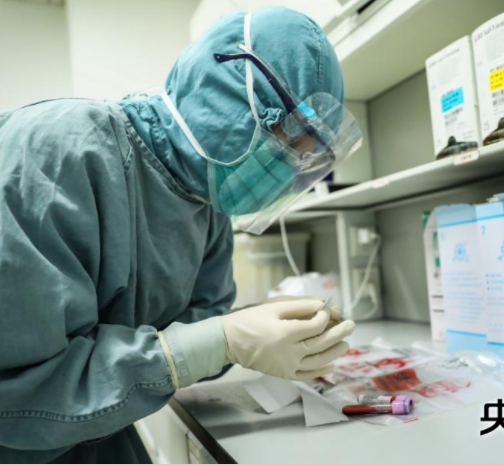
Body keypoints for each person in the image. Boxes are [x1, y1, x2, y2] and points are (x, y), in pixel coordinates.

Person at [0, 7, 361, 463]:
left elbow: (196, 332)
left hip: (95, 435)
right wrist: (222, 340)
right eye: (285, 142)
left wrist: (248, 335)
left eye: (302, 159)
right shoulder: (56, 153)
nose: (286, 171)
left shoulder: (207, 201)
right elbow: (19, 391)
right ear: (229, 96)